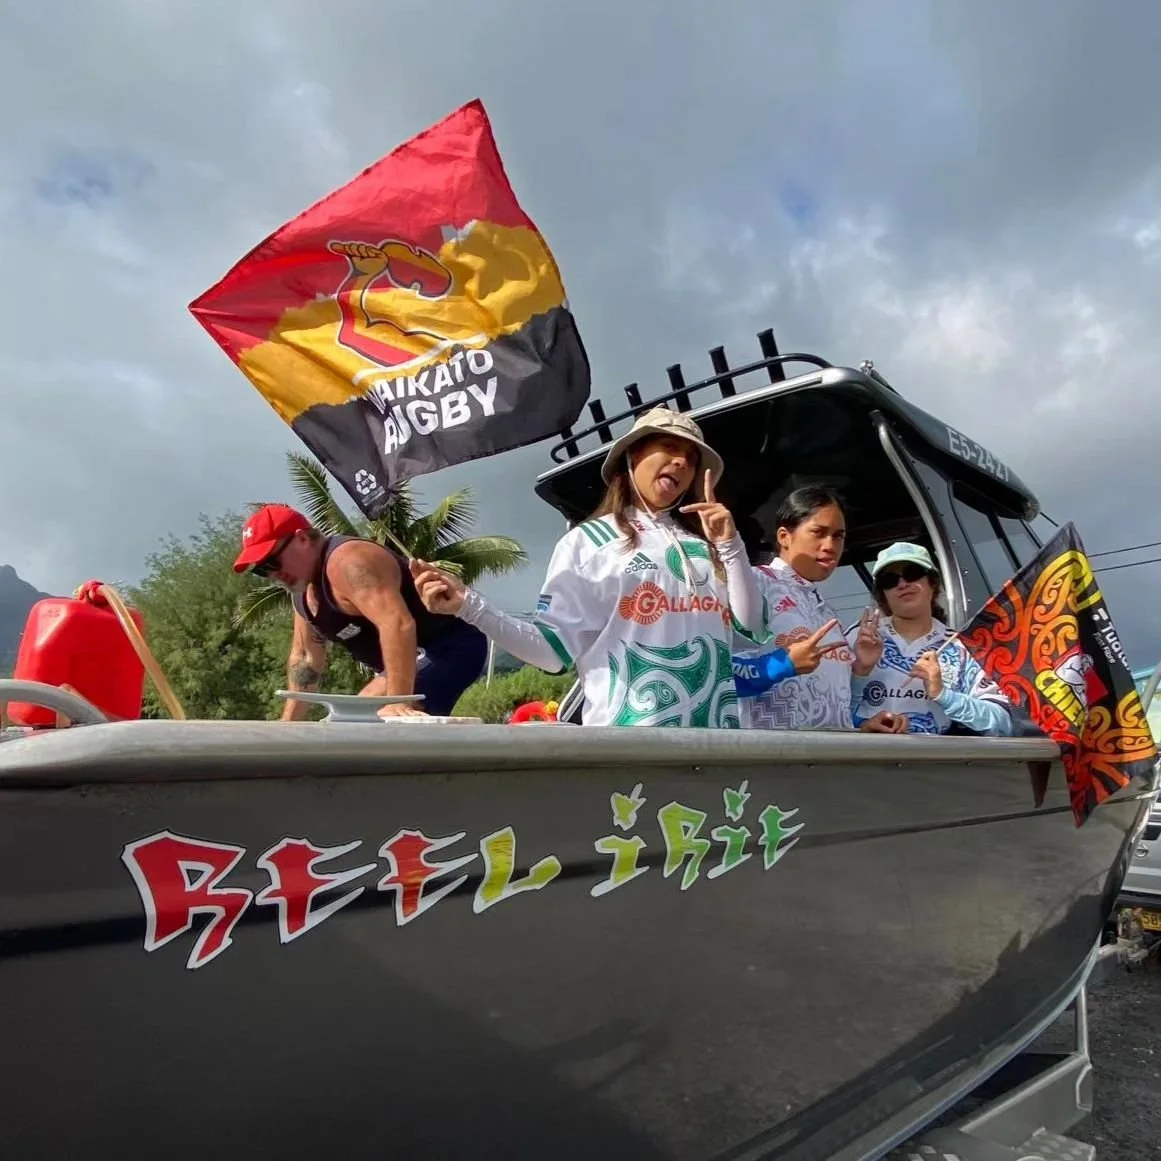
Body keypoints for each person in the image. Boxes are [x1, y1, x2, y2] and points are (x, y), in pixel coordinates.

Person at [408, 406, 768, 728]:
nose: (681, 463)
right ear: (632, 456)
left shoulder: (708, 547)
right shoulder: (588, 541)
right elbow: (550, 653)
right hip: (629, 747)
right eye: (670, 448)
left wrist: (730, 544)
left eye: (691, 459)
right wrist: (468, 605)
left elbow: (750, 626)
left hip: (717, 745)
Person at [232, 504, 487, 719]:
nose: (272, 574)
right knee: (352, 716)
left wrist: (399, 704)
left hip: (451, 647)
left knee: (362, 714)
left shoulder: (348, 561)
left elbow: (397, 623)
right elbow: (306, 660)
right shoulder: (302, 594)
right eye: (261, 569)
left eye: (273, 561)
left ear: (301, 538)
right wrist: (287, 728)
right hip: (407, 663)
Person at [847, 542, 1013, 736]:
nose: (902, 584)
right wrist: (860, 675)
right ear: (882, 593)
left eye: (912, 572)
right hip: (864, 760)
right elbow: (825, 712)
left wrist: (944, 695)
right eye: (889, 579)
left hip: (937, 763)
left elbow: (1002, 723)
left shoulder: (962, 647)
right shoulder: (857, 638)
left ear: (932, 582)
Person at [732, 486, 859, 730]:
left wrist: (862, 723)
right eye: (818, 532)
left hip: (829, 760)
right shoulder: (753, 583)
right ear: (784, 536)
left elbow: (827, 702)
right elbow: (717, 673)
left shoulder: (825, 610)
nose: (830, 545)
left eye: (838, 536)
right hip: (770, 758)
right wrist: (782, 665)